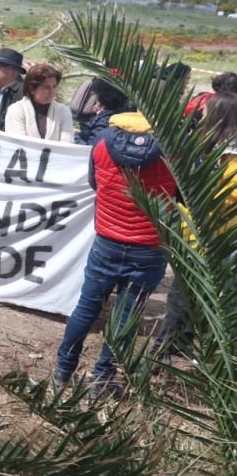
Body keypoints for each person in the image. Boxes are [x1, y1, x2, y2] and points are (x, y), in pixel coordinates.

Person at [53, 105, 179, 403]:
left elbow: (94, 183)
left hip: (107, 242)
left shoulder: (102, 143)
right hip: (148, 249)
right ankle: (103, 377)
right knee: (126, 315)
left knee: (86, 307)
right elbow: (181, 197)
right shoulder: (173, 153)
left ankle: (63, 369)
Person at [152, 91, 237, 358]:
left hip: (217, 242)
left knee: (201, 300)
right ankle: (171, 350)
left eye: (203, 115)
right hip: (198, 237)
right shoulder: (204, 149)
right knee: (183, 298)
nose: (198, 119)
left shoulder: (227, 158)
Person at [4, 63, 75, 142]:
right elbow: (17, 143)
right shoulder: (16, 110)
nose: (52, 92)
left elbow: (67, 144)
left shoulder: (63, 111)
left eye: (54, 86)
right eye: (46, 87)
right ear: (32, 89)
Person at [74, 79, 131, 146]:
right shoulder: (114, 112)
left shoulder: (106, 119)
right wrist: (80, 133)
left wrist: (73, 135)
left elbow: (91, 147)